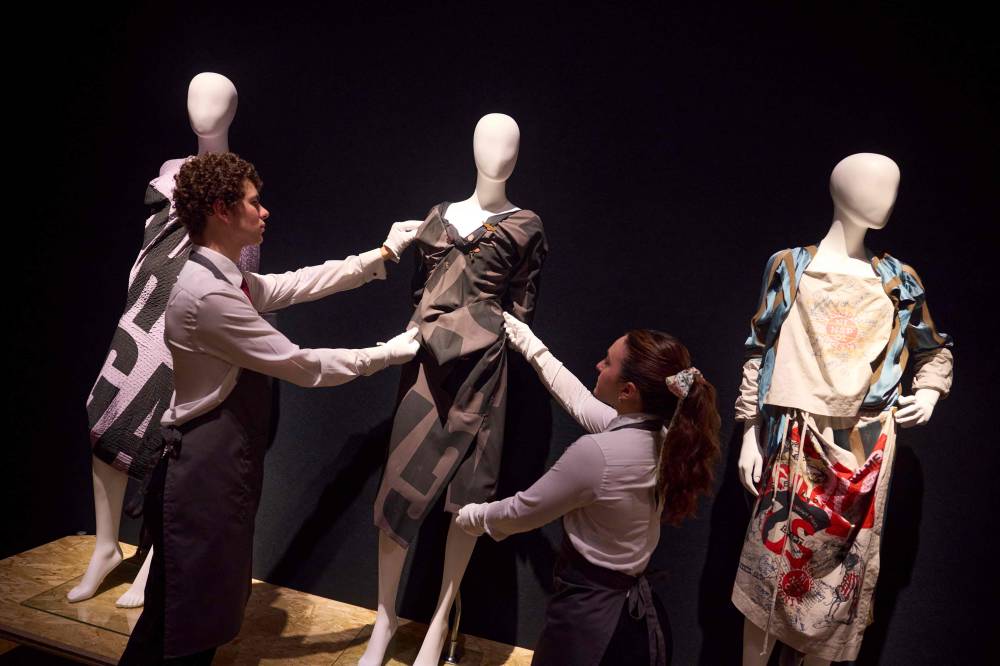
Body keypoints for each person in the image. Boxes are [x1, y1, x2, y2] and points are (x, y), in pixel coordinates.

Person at [119, 152, 421, 665]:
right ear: (221, 209)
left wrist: (382, 255)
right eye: (254, 203)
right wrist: (390, 352)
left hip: (212, 473)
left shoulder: (220, 278)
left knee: (182, 623)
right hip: (199, 479)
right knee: (180, 635)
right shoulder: (207, 298)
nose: (265, 213)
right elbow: (302, 366)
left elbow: (293, 284)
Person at [457, 313, 722, 666]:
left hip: (592, 627)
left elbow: (522, 512)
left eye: (607, 363)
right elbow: (579, 401)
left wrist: (472, 516)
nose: (598, 365)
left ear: (628, 391)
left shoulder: (598, 454)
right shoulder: (663, 438)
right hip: (635, 620)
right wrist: (531, 345)